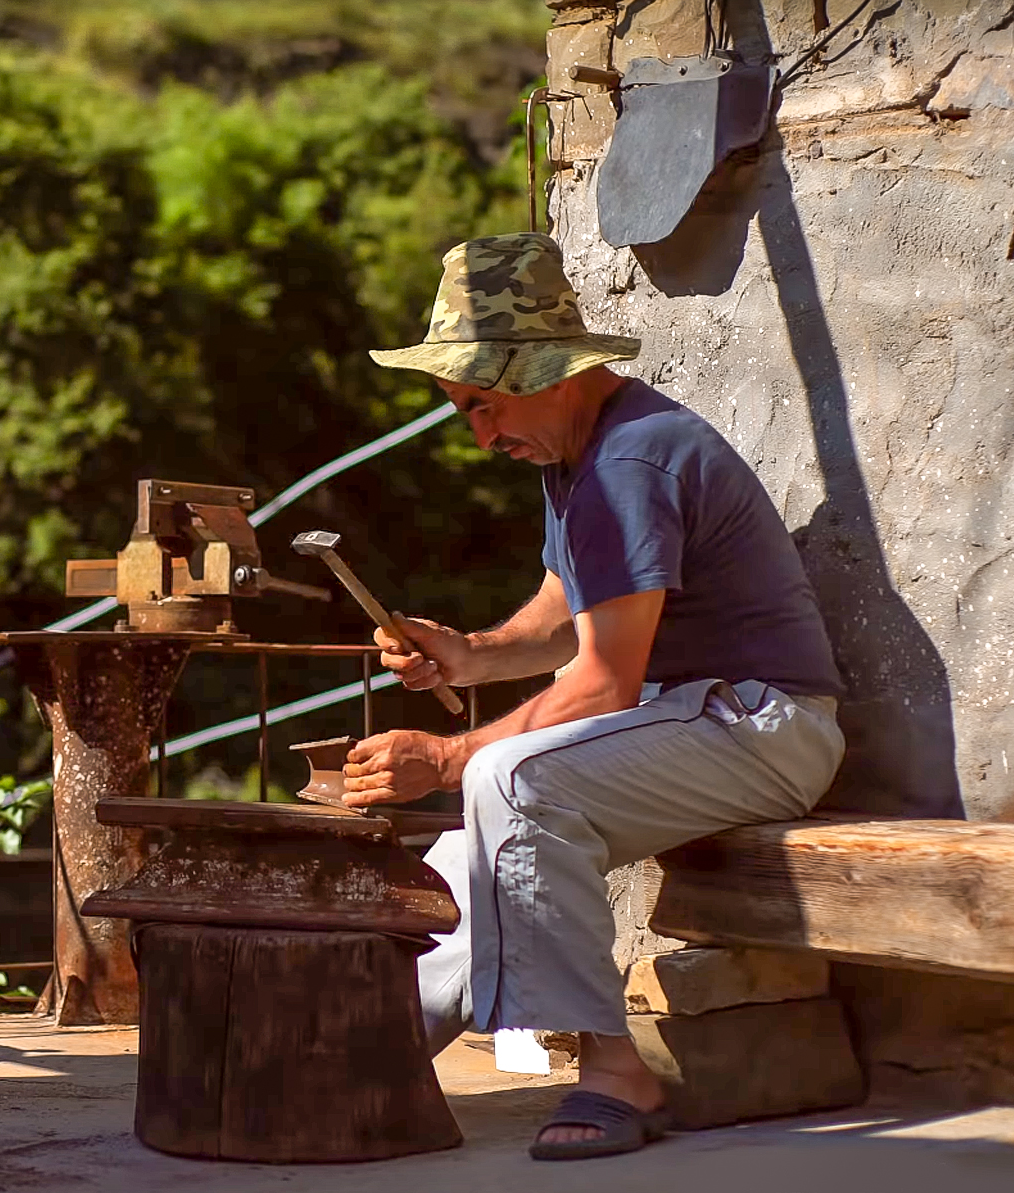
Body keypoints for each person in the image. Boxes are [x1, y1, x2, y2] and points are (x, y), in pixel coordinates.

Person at [348, 232, 845, 1161]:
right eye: (463, 411)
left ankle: (615, 1070)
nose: (480, 435)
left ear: (545, 371)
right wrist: (467, 653)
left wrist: (449, 755)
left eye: (482, 406)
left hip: (763, 729)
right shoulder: (574, 456)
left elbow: (604, 678)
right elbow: (564, 613)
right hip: (699, 722)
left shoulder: (628, 463)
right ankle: (365, 1050)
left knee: (508, 783)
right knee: (469, 849)